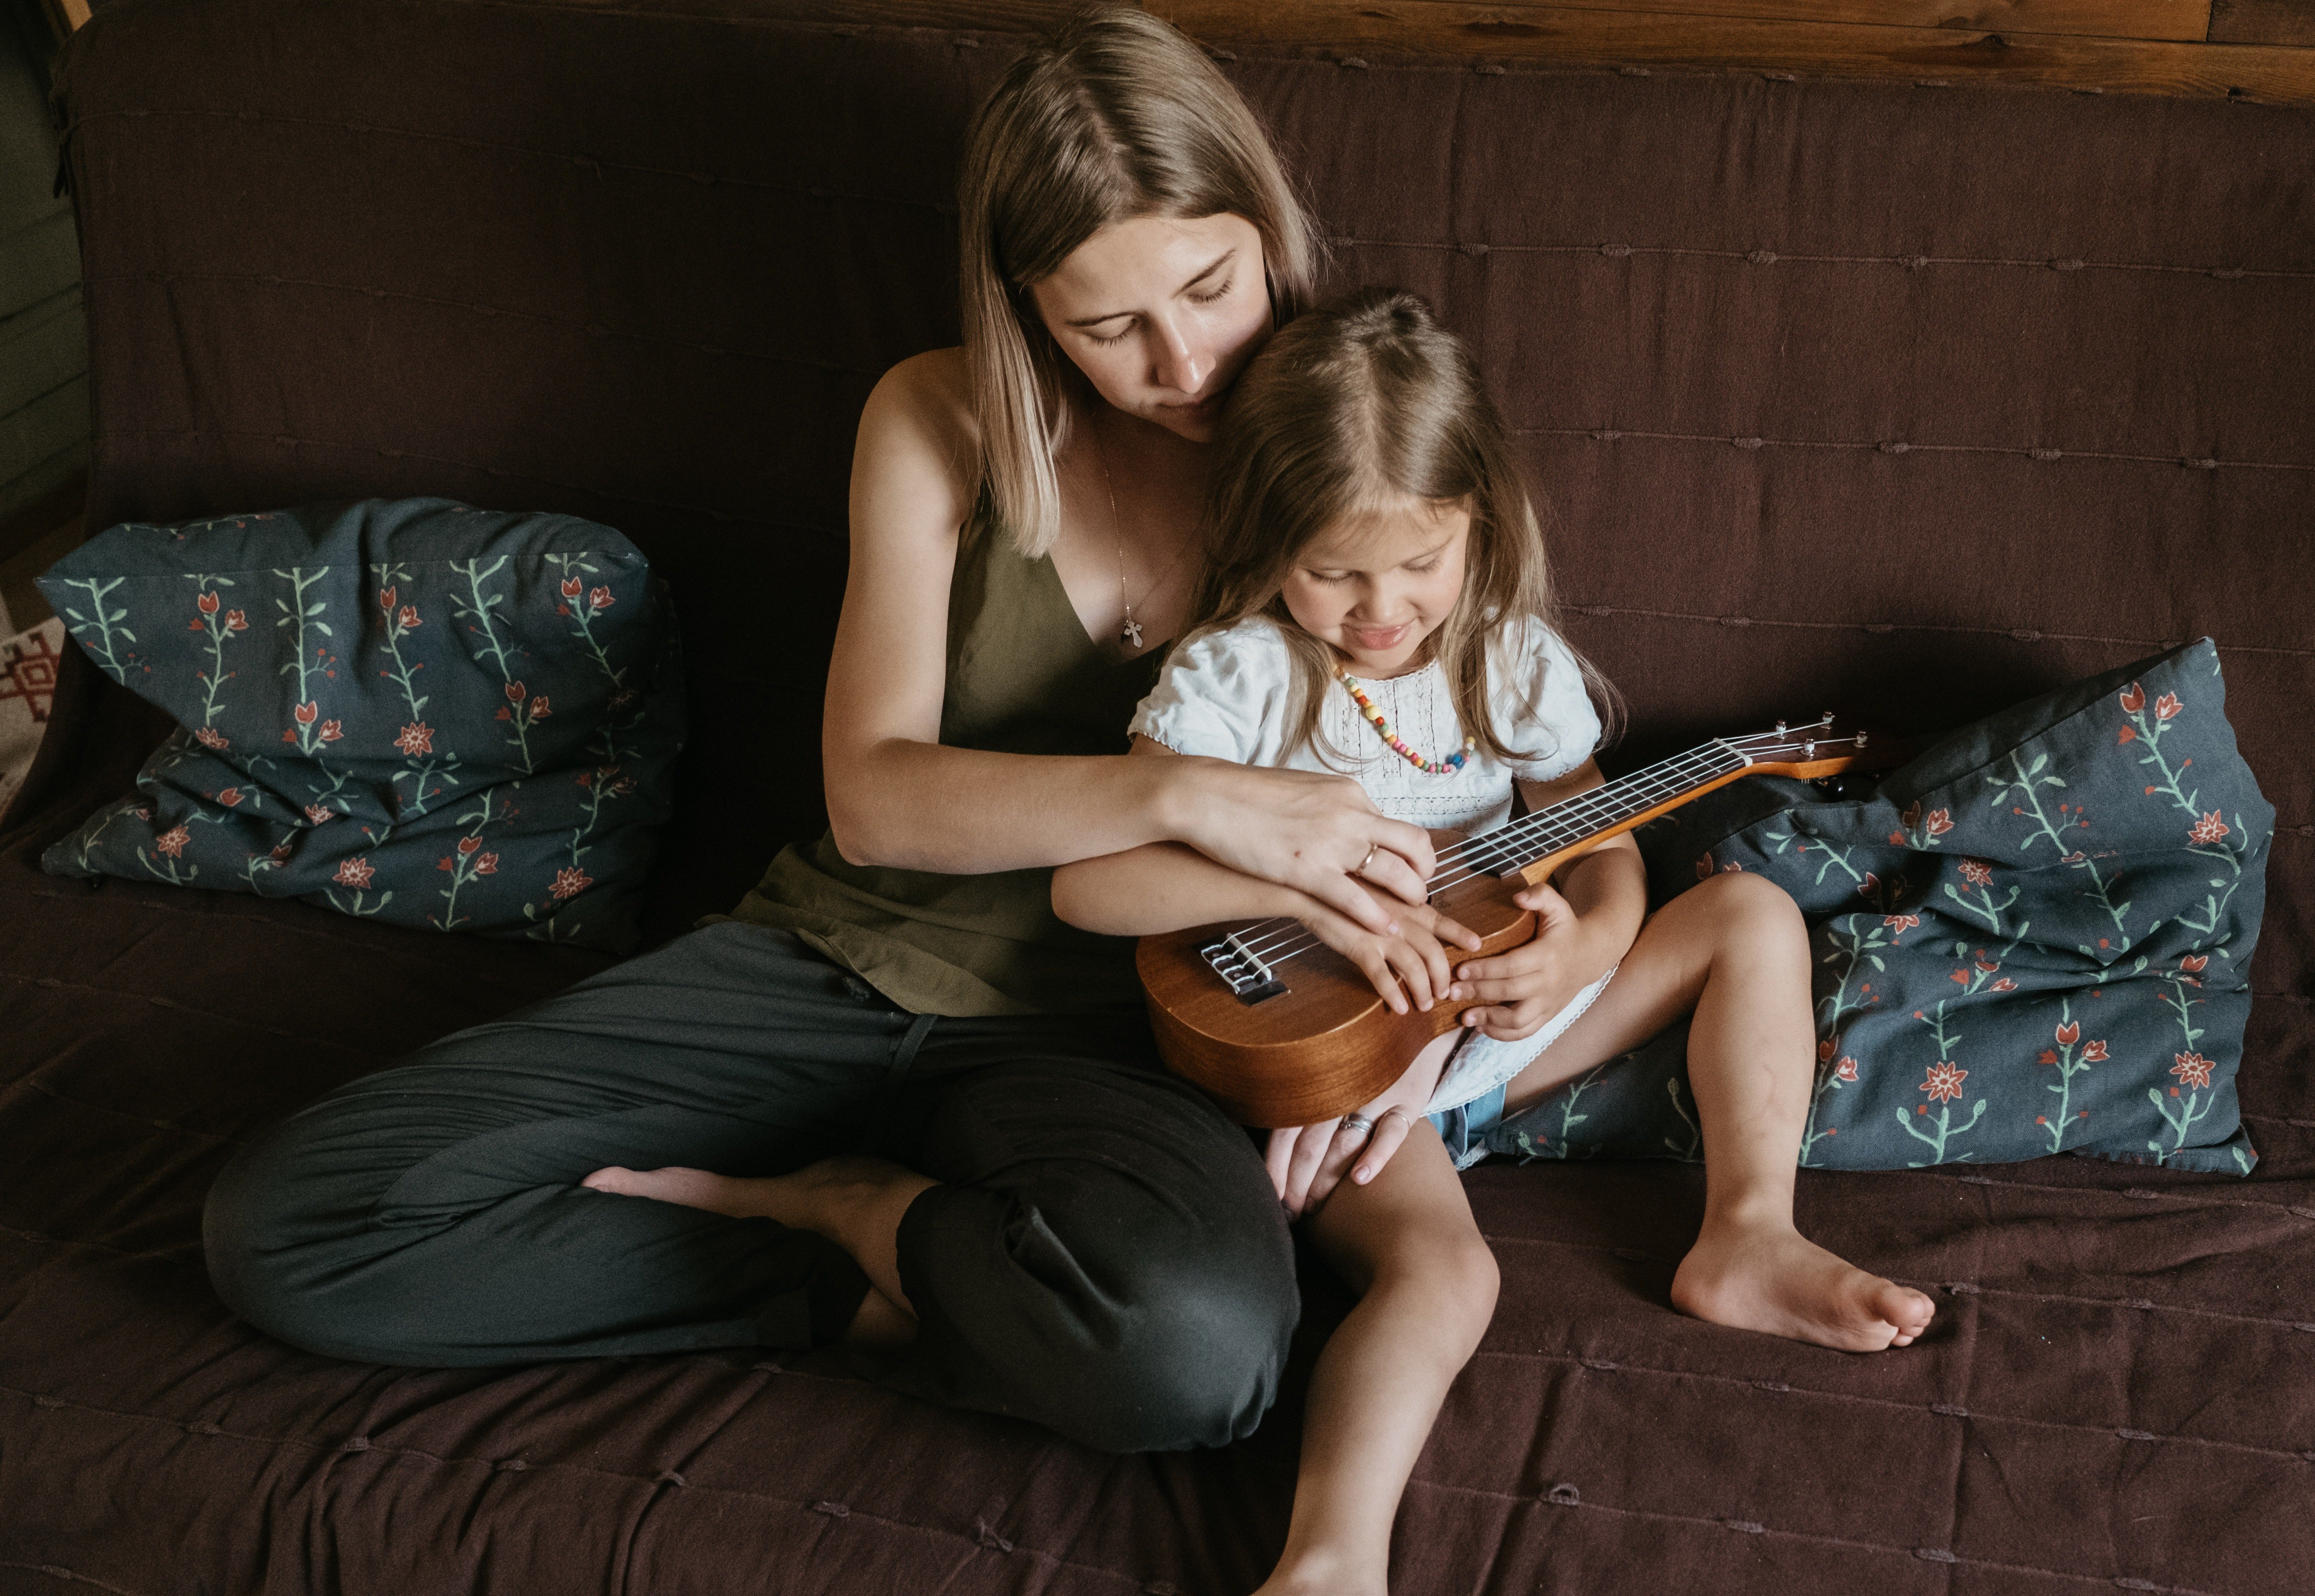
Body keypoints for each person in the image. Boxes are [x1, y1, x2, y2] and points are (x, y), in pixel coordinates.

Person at [201, 10, 1463, 1455]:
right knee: (289, 1227)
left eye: (1211, 287)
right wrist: (1183, 792)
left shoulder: (1353, 456)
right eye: (1107, 327)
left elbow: (1509, 752)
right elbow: (877, 801)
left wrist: (1538, 963)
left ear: (1268, 234)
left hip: (1109, 1035)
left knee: (1195, 1359)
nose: (1183, 363)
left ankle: (877, 1213)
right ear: (1027, 314)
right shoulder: (937, 416)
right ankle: (855, 1275)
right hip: (827, 963)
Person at [1050, 289, 1937, 1596]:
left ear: (1482, 524)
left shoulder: (1500, 660)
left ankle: (1747, 1234)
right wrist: (1297, 875)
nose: (1385, 612)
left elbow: (1598, 851)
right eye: (1335, 573)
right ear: (1269, 543)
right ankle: (1321, 1589)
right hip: (1330, 1076)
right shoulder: (1246, 681)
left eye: (1422, 562)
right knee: (1450, 1274)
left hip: (1478, 1042)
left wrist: (1587, 947)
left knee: (1753, 918)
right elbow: (1094, 886)